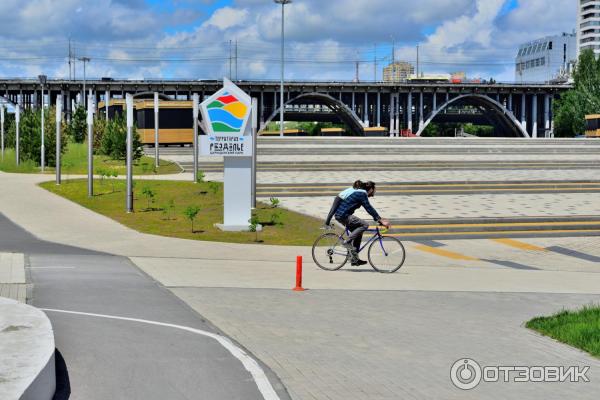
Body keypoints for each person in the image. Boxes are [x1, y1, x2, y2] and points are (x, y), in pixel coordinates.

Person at [334, 181, 391, 266]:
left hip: (342, 215)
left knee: (359, 233)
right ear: (371, 189)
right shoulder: (362, 194)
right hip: (343, 215)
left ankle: (354, 259)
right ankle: (347, 242)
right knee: (365, 225)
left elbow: (369, 208)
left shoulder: (361, 193)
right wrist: (380, 220)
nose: (375, 192)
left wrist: (379, 219)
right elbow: (369, 208)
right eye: (375, 190)